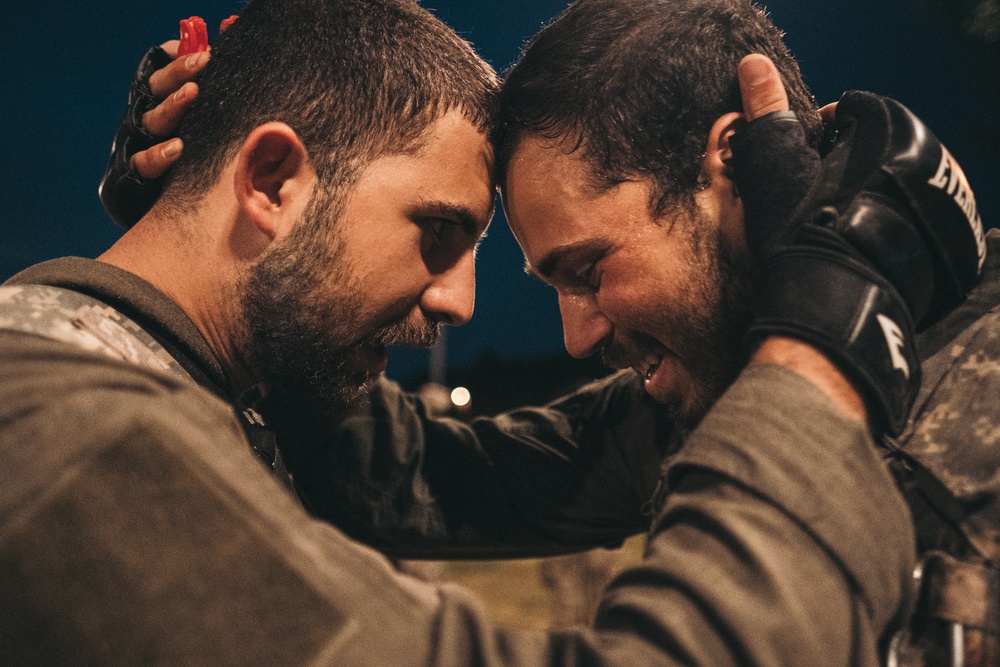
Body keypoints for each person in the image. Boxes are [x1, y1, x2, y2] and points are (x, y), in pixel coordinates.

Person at [3, 0, 962, 663]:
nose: (463, 303)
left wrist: (205, 261)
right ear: (271, 180)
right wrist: (827, 339)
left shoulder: (186, 402)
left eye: (585, 268)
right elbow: (419, 477)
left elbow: (415, 471)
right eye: (437, 233)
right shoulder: (43, 422)